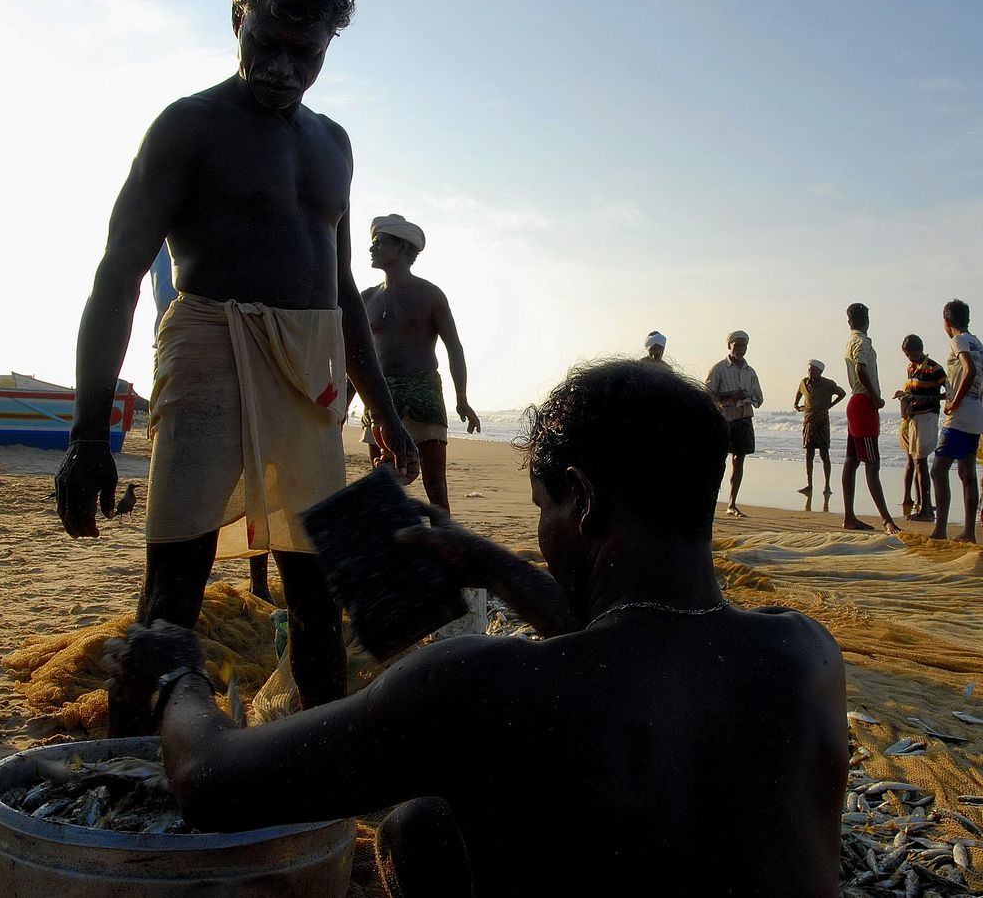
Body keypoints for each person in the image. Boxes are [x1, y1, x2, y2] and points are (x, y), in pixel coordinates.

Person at [105, 360, 847, 898]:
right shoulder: (806, 654)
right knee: (425, 825)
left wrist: (177, 675)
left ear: (582, 500)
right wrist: (495, 566)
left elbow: (207, 782)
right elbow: (631, 650)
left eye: (542, 507)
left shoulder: (479, 689)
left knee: (420, 819)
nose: (543, 532)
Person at [55, 0, 419, 735]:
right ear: (235, 21)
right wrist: (88, 432)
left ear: (327, 47)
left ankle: (314, 785)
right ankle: (131, 780)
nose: (284, 68)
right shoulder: (188, 127)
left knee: (321, 588)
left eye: (306, 52)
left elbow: (339, 291)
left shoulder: (335, 143)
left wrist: (384, 411)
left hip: (311, 371)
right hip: (209, 346)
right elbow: (116, 279)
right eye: (268, 43)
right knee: (171, 593)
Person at [353, 214, 485, 636]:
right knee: (384, 483)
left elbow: (455, 347)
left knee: (435, 486)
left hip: (424, 392)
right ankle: (393, 567)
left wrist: (463, 399)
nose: (373, 248)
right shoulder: (366, 297)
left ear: (405, 250)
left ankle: (445, 561)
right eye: (372, 242)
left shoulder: (430, 296)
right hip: (381, 395)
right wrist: (346, 401)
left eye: (382, 243)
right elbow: (357, 358)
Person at [152, 243, 274, 603]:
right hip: (188, 349)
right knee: (189, 497)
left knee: (261, 478)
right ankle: (172, 596)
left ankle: (259, 580)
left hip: (255, 340)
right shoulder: (172, 242)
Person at [841, 303, 900, 535]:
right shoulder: (862, 342)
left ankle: (849, 516)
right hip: (864, 402)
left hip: (857, 402)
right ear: (867, 319)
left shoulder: (851, 341)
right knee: (872, 464)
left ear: (849, 321)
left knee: (852, 460)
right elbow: (861, 368)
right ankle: (887, 520)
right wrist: (876, 397)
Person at [930, 299, 983, 544]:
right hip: (976, 411)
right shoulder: (978, 343)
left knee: (939, 469)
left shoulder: (958, 340)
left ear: (947, 322)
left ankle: (940, 528)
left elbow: (969, 369)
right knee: (966, 471)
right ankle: (968, 532)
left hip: (961, 413)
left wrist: (953, 402)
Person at [705, 330, 763, 518]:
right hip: (724, 419)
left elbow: (759, 398)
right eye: (737, 345)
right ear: (729, 345)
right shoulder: (719, 369)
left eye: (744, 345)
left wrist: (747, 396)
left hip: (744, 418)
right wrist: (730, 395)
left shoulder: (750, 371)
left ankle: (732, 503)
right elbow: (708, 395)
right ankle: (711, 500)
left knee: (739, 461)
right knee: (717, 461)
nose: (740, 349)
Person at [893, 334, 946, 523]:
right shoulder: (912, 368)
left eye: (912, 354)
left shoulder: (934, 368)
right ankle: (923, 504)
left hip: (928, 416)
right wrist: (905, 395)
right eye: (907, 355)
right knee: (916, 461)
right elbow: (914, 390)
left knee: (921, 461)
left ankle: (926, 509)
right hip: (914, 416)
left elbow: (949, 393)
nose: (910, 358)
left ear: (920, 350)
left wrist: (929, 399)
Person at [793, 359, 845, 497]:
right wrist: (796, 404)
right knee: (809, 454)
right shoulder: (804, 382)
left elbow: (842, 393)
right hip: (808, 420)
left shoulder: (828, 384)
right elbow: (799, 391)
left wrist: (830, 405)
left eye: (814, 370)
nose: (811, 372)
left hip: (822, 421)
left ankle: (827, 485)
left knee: (824, 454)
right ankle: (809, 485)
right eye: (809, 370)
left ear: (820, 372)